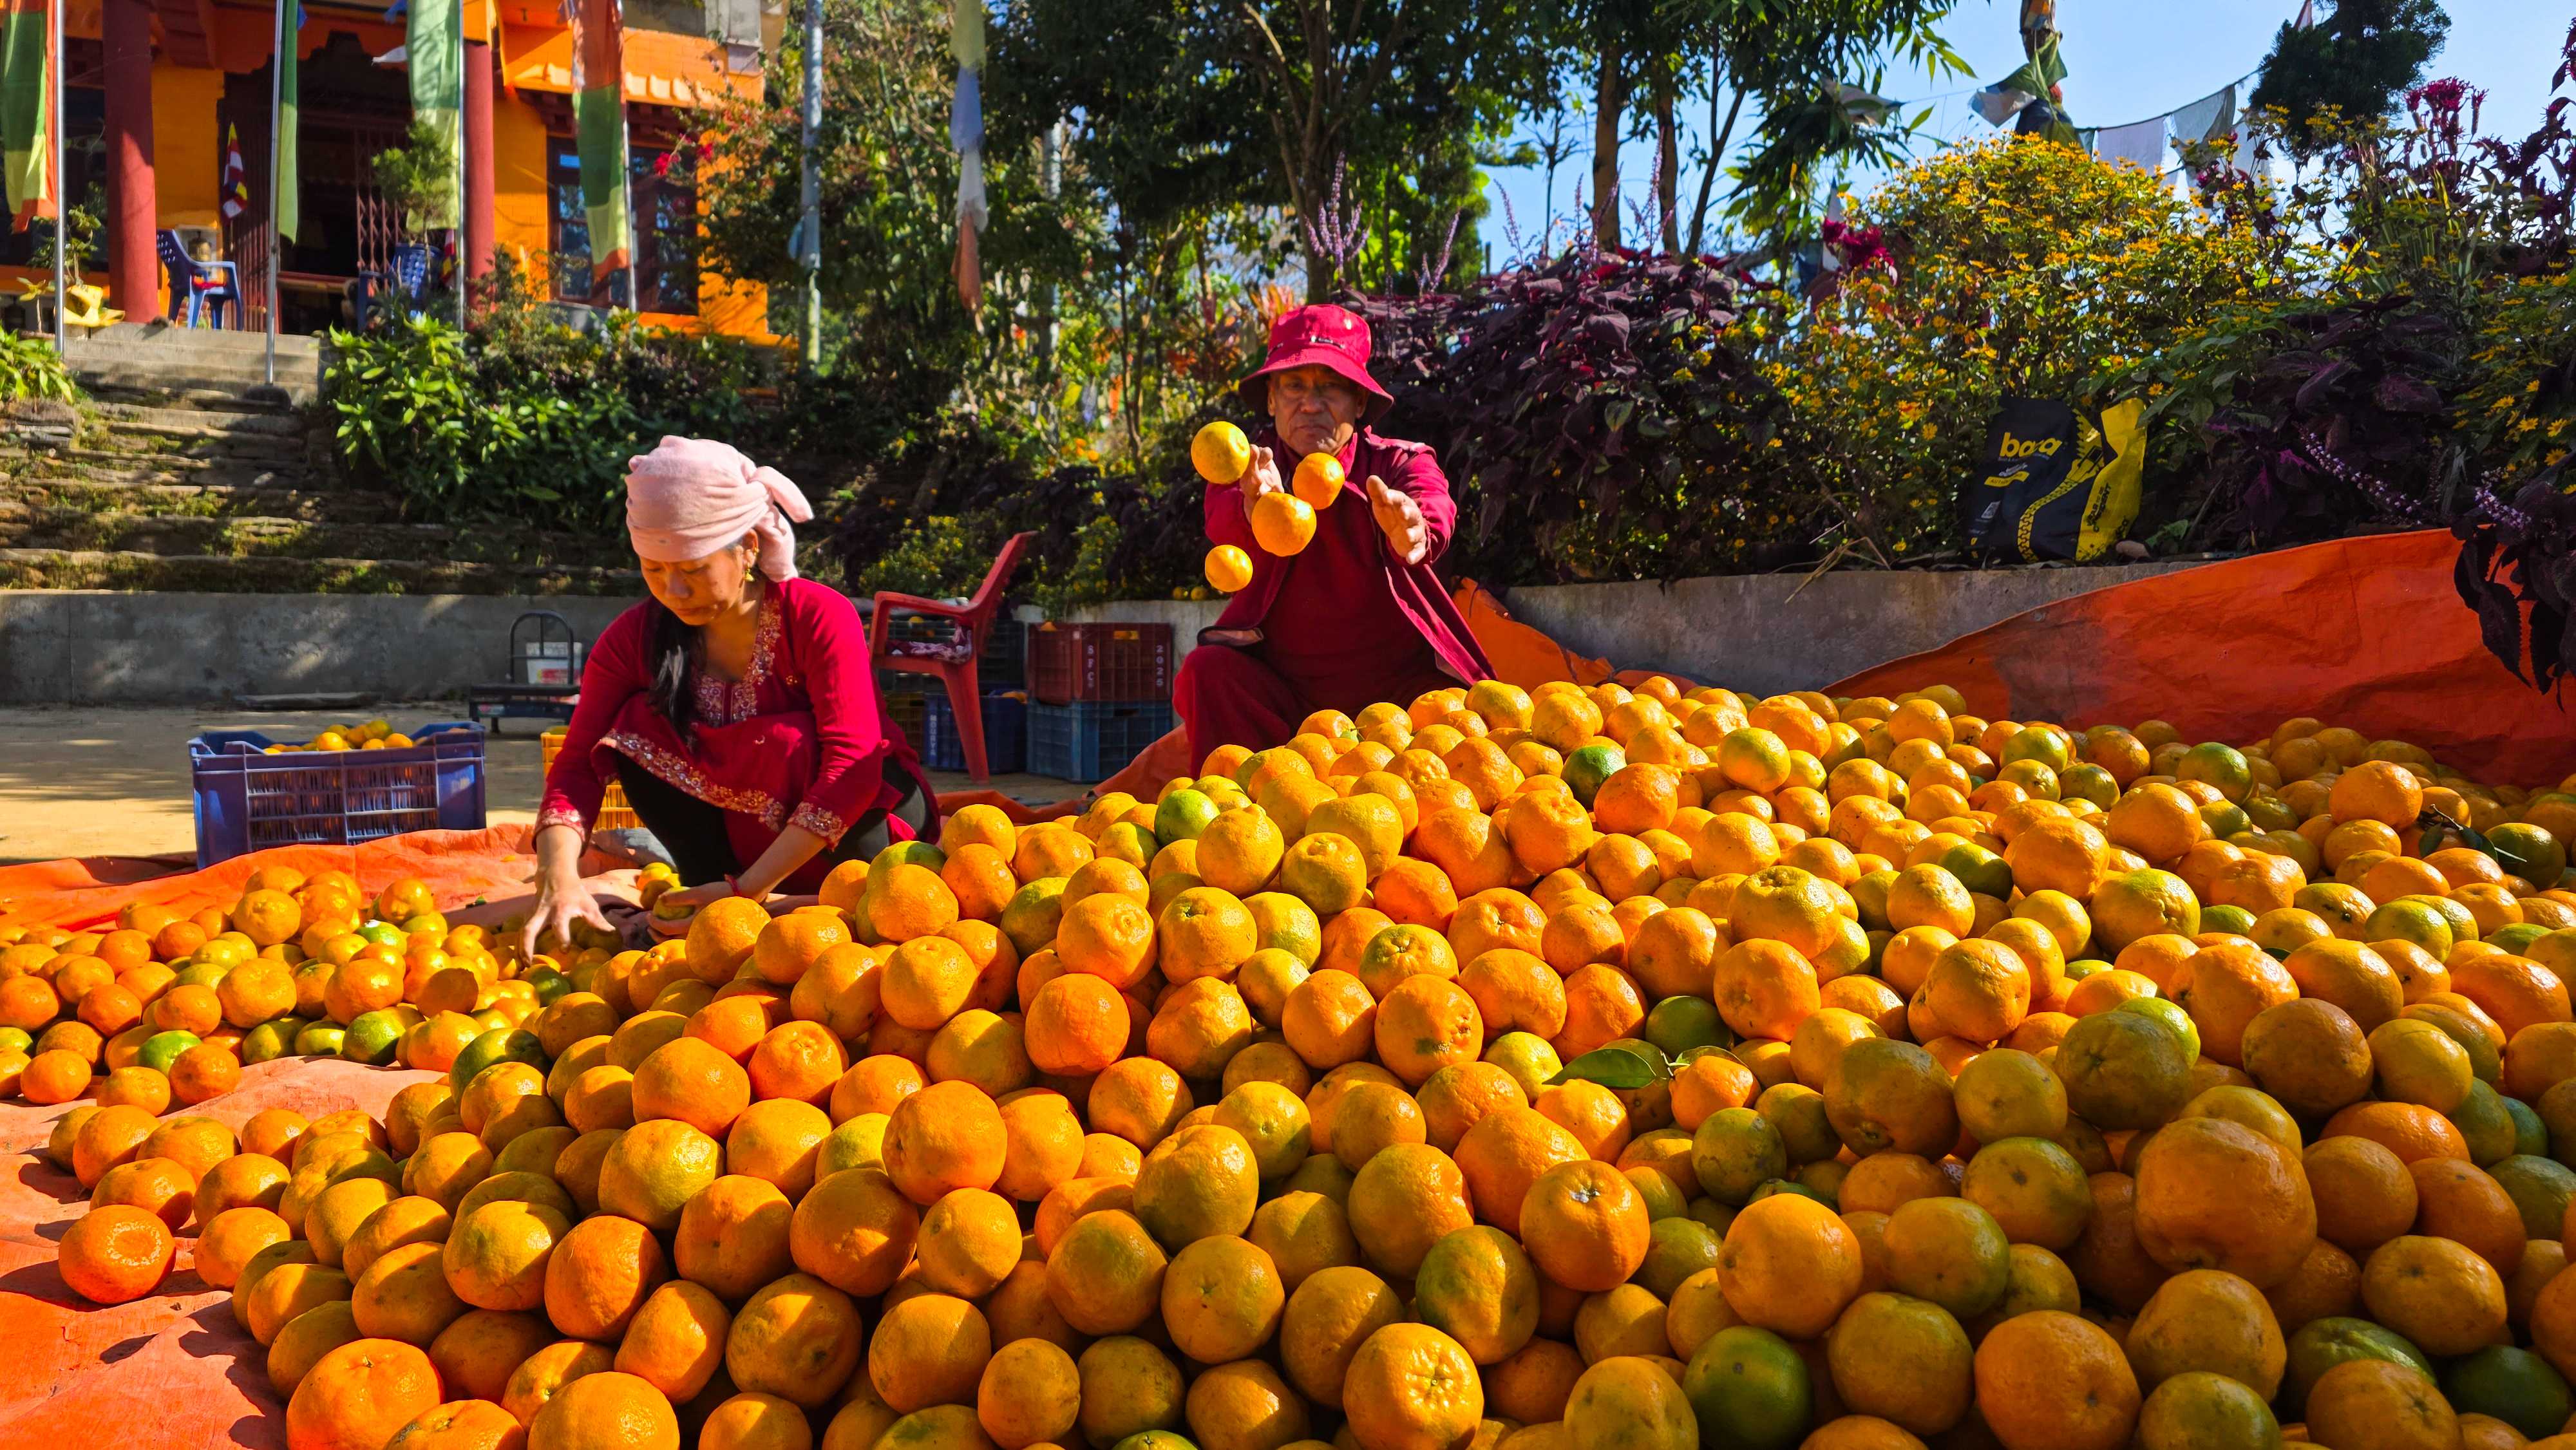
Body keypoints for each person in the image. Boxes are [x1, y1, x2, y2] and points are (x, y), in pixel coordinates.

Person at [522, 436, 932, 955]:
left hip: (860, 825)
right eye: (654, 570)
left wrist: (748, 890)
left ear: (749, 548)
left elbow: (852, 764)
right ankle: (704, 897)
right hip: (736, 854)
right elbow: (577, 763)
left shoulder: (817, 615)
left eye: (692, 569)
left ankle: (777, 900)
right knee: (633, 725)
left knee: (792, 744)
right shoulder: (633, 641)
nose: (674, 591)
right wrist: (558, 876)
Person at [1174, 303, 1492, 764]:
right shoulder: (1246, 469)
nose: (1310, 403)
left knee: (1467, 741)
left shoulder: (1398, 462)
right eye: (1294, 386)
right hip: (1287, 698)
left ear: (1359, 403)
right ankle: (1236, 819)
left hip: (1401, 695)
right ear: (1270, 399)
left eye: (1331, 388)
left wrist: (1414, 529)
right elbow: (1225, 529)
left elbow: (1431, 506)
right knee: (1207, 672)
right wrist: (1255, 508)